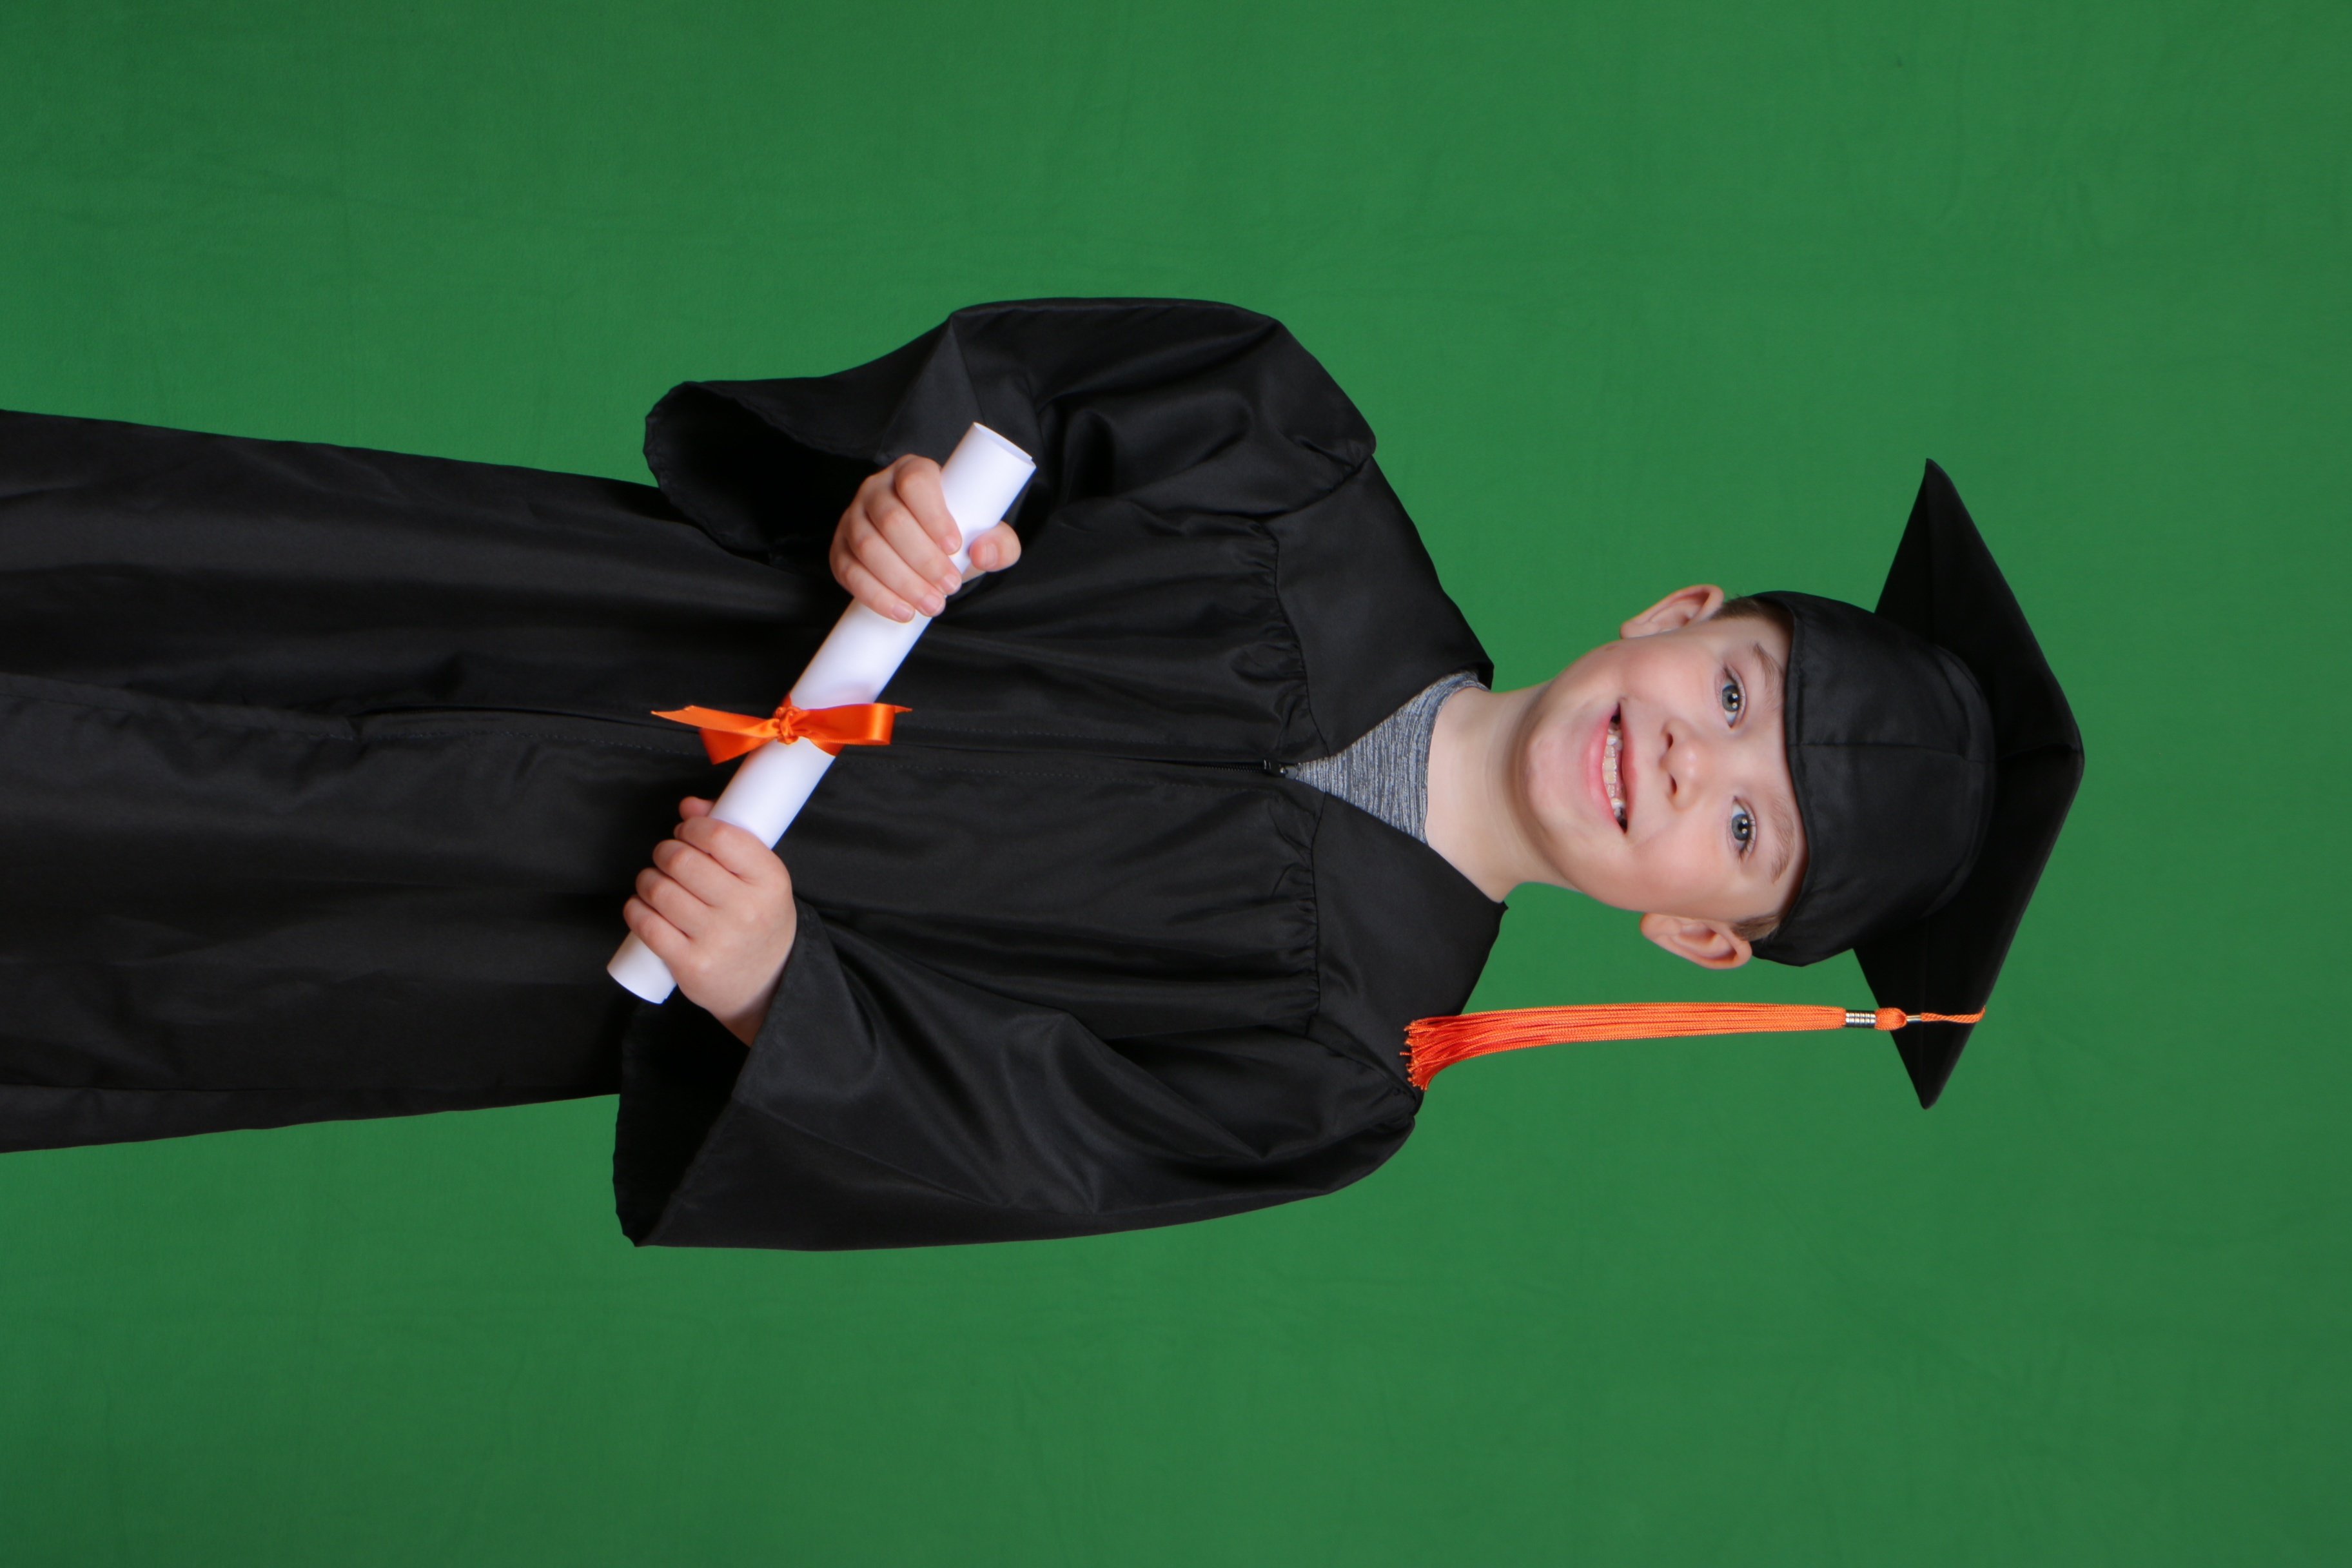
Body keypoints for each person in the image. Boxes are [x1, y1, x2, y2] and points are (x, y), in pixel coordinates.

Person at [0, 299, 2080, 1249]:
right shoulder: (1289, 460)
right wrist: (893, 493)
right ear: (1677, 608)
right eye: (1734, 686)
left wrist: (782, 992)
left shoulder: (1334, 1076)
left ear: (1702, 939)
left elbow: (1013, 1141)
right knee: (145, 596)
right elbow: (1002, 399)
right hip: (561, 612)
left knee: (135, 890)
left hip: (544, 915)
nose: (1687, 756)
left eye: (1745, 823)